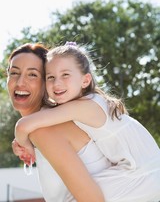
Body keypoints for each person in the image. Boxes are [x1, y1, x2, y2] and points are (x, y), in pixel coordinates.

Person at [15, 42, 160, 202]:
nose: (57, 83)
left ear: (85, 81)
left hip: (141, 174)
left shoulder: (84, 106)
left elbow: (23, 125)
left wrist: (24, 145)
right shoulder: (87, 103)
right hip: (144, 171)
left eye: (65, 75)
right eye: (51, 77)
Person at [7, 43, 106, 202]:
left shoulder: (45, 130)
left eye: (32, 74)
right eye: (14, 72)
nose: (20, 82)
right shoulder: (42, 126)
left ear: (47, 81)